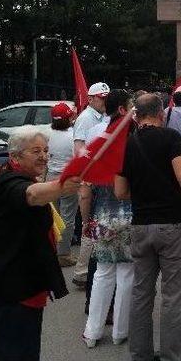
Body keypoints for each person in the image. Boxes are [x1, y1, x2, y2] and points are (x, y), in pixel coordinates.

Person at [115, 93, 181, 361]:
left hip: (140, 227)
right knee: (174, 297)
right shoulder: (171, 138)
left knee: (141, 294)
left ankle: (141, 355)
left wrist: (144, 190)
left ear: (136, 116)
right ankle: (173, 356)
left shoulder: (127, 144)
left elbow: (120, 191)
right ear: (162, 113)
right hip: (173, 227)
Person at [0, 127, 80, 360]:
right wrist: (61, 186)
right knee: (17, 352)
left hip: (22, 285)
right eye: (36, 151)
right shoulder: (9, 182)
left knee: (17, 351)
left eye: (46, 150)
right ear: (15, 157)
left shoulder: (21, 177)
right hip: (10, 290)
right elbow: (32, 195)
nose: (44, 156)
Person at [82, 90, 134, 348]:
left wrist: (85, 220)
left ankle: (92, 333)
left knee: (102, 272)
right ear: (123, 109)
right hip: (129, 213)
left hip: (102, 214)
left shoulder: (94, 137)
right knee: (126, 272)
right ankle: (119, 332)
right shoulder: (133, 137)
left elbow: (84, 187)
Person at [72, 81, 110, 288]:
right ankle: (82, 272)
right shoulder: (86, 119)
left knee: (95, 224)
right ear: (90, 99)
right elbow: (79, 149)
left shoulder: (101, 117)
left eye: (106, 98)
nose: (103, 101)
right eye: (100, 98)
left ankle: (85, 270)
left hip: (97, 177)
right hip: (90, 178)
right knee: (91, 224)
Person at [47, 102, 77, 267]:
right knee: (67, 218)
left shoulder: (47, 133)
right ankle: (63, 254)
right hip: (68, 179)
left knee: (52, 217)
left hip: (50, 177)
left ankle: (51, 251)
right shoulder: (73, 135)